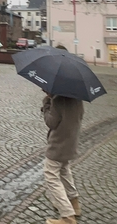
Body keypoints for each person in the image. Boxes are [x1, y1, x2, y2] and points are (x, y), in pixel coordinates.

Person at [41, 91, 85, 224]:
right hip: (70, 143)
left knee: (51, 175)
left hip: (58, 145)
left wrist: (47, 103)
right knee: (64, 171)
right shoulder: (77, 98)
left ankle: (67, 216)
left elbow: (51, 122)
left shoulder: (58, 100)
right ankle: (74, 203)